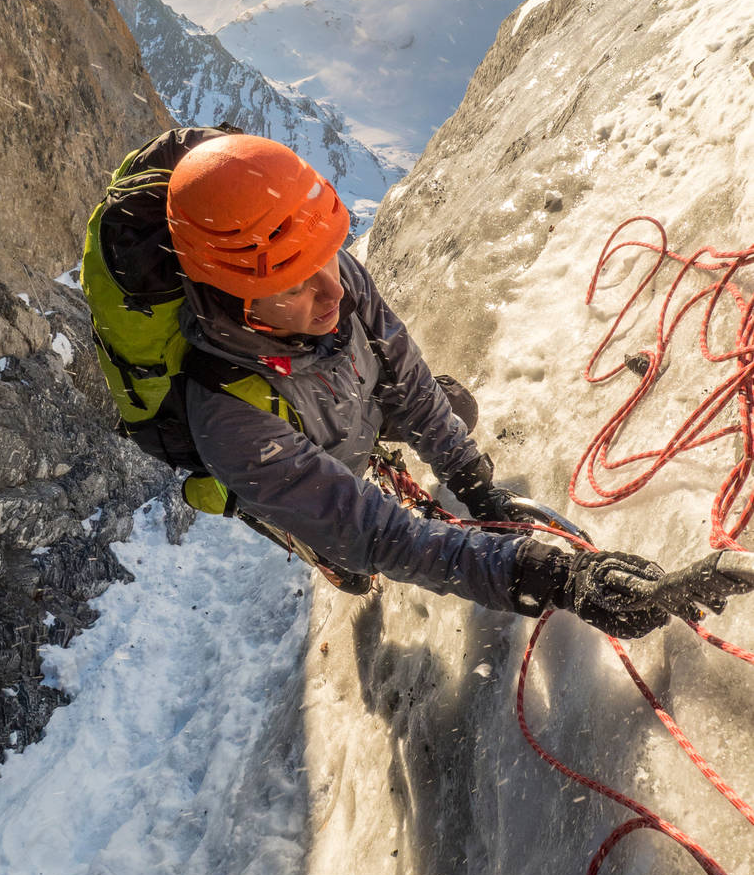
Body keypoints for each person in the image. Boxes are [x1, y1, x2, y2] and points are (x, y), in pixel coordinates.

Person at [163, 133, 687, 638]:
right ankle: (307, 537)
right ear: (238, 298)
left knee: (455, 404)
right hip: (301, 452)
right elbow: (379, 533)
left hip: (351, 400)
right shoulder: (227, 417)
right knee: (351, 557)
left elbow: (407, 378)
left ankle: (362, 464)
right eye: (294, 285)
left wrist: (474, 483)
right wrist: (551, 578)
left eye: (325, 257)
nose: (334, 292)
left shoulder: (327, 272)